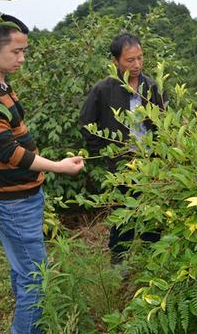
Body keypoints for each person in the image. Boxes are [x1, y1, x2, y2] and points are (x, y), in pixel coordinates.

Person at [0, 14, 84, 334]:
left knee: (23, 272)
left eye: (24, 51)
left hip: (19, 197)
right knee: (35, 278)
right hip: (13, 201)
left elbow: (15, 140)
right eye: (16, 51)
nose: (22, 58)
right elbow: (9, 153)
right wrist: (57, 166)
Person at [79, 33, 166, 264]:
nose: (136, 64)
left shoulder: (151, 86)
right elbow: (87, 124)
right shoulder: (103, 89)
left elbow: (164, 122)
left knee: (152, 214)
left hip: (151, 162)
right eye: (130, 60)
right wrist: (108, 152)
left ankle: (151, 262)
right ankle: (120, 264)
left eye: (140, 58)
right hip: (121, 165)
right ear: (116, 62)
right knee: (123, 216)